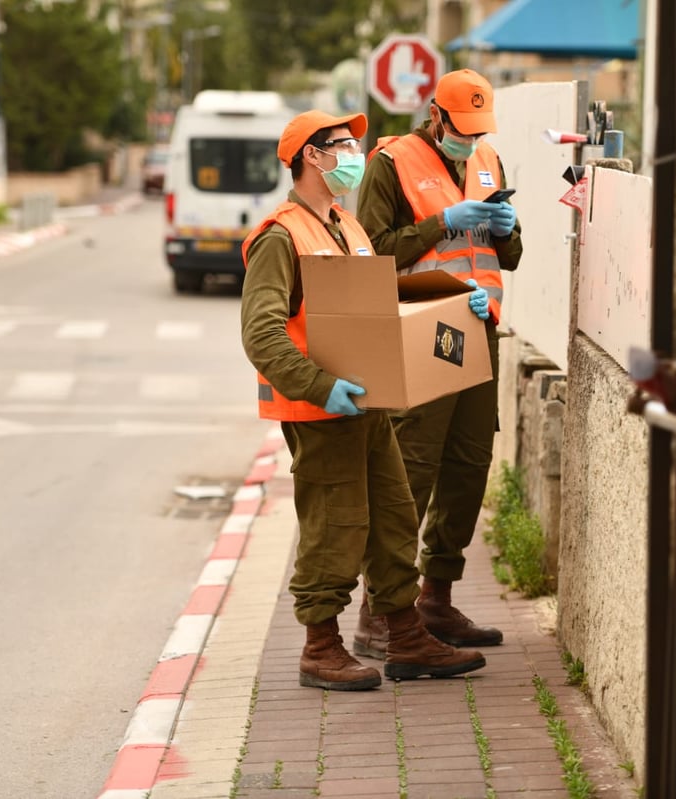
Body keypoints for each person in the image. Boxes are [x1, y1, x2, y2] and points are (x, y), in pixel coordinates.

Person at [240, 108, 489, 690]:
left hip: (367, 400)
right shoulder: (280, 235)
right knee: (337, 521)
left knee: (394, 515)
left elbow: (377, 294)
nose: (354, 155)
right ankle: (319, 647)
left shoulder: (344, 226)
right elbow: (261, 332)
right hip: (320, 407)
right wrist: (322, 385)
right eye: (343, 146)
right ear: (310, 155)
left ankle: (402, 634)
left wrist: (455, 294)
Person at [354, 69, 523, 658]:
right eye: (462, 128)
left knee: (468, 466)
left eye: (479, 129)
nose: (470, 139)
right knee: (413, 470)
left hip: (480, 325)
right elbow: (372, 250)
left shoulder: (489, 160)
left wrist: (506, 228)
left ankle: (436, 598)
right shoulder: (390, 162)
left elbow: (511, 255)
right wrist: (441, 223)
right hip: (424, 327)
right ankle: (381, 610)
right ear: (436, 114)